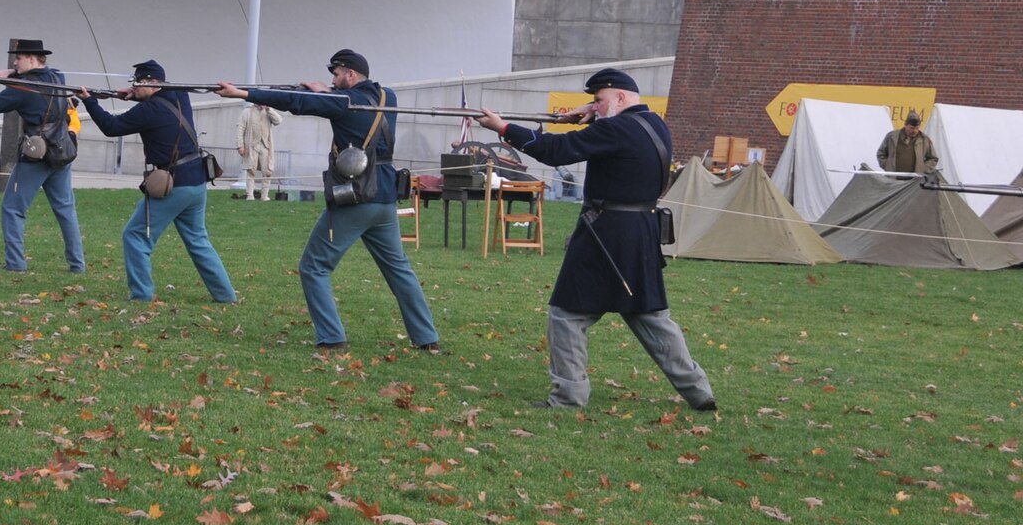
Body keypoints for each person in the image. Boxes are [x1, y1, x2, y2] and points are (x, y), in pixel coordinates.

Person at [479, 68, 717, 413]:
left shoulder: (615, 128)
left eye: (599, 100)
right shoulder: (653, 124)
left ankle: (569, 396)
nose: (595, 107)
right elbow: (611, 141)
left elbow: (554, 150)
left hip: (607, 233)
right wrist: (591, 116)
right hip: (641, 232)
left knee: (567, 315)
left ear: (620, 98)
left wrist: (503, 128)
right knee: (650, 315)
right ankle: (699, 391)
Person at [217, 49, 440, 355]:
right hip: (385, 197)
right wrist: (327, 90)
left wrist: (241, 92)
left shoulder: (344, 103)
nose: (332, 80)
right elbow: (349, 97)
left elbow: (297, 102)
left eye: (336, 75)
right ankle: (426, 337)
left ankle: (332, 338)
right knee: (399, 270)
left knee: (313, 267)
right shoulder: (388, 96)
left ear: (350, 75)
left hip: (357, 197)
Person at [79, 61, 237, 305]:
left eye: (137, 83)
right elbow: (156, 102)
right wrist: (134, 96)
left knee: (135, 236)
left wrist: (90, 101)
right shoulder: (180, 95)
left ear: (152, 83)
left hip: (174, 184)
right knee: (198, 241)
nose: (132, 86)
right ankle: (226, 295)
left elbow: (111, 127)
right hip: (197, 181)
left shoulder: (148, 111)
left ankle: (141, 294)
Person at [0, 39, 85, 275]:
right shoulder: (59, 78)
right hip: (61, 151)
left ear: (31, 59)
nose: (14, 62)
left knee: (12, 208)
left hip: (36, 156)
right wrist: (10, 73)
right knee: (66, 210)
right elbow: (39, 76)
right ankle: (77, 265)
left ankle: (15, 263)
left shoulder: (22, 88)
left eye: (18, 58)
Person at [237, 100, 283, 200]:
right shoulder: (247, 111)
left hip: (266, 145)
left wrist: (269, 109)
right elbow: (240, 128)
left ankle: (264, 195)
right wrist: (240, 145)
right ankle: (250, 195)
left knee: (267, 171)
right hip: (251, 145)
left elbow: (278, 121)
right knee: (251, 170)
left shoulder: (268, 111)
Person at [875, 110, 939, 177]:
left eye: (917, 128)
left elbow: (933, 158)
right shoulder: (892, 137)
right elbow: (881, 153)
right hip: (893, 178)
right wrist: (887, 166)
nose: (914, 131)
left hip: (914, 180)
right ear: (905, 125)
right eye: (912, 128)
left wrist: (923, 169)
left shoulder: (925, 140)